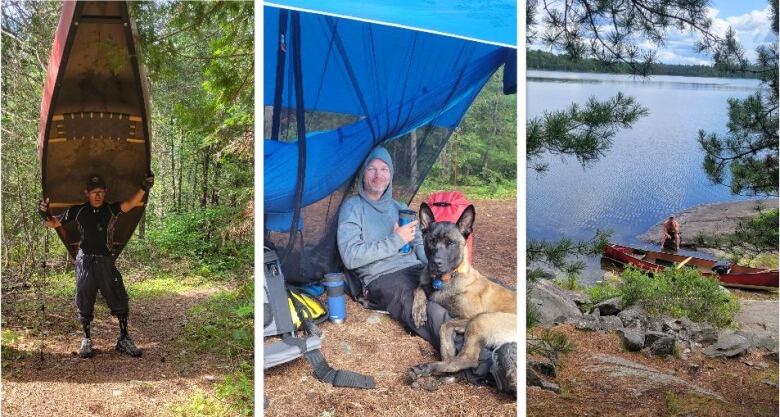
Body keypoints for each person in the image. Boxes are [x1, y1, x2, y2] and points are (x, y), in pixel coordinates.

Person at [337, 146, 515, 393]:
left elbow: (423, 244)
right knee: (434, 312)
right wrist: (396, 240)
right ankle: (491, 367)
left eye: (384, 169)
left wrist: (433, 264)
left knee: (473, 291)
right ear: (363, 174)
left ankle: (503, 331)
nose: (379, 175)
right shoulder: (353, 207)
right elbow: (350, 256)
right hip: (383, 277)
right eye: (372, 169)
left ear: (391, 174)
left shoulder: (399, 206)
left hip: (419, 269)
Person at [38, 174, 153, 358]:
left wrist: (143, 187)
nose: (97, 195)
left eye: (100, 192)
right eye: (93, 192)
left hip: (105, 260)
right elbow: (52, 223)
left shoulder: (112, 209)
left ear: (105, 192)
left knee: (117, 295)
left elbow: (131, 203)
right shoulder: (78, 211)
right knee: (84, 295)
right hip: (85, 260)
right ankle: (86, 339)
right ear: (87, 193)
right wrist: (44, 212)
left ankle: (123, 338)